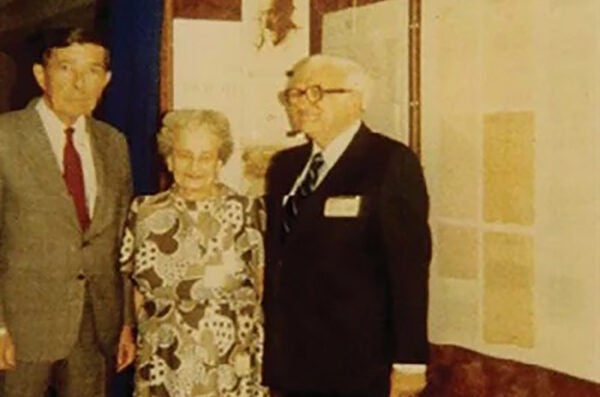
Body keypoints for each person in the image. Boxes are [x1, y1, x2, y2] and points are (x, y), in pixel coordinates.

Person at [262, 54, 432, 397]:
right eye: (294, 94)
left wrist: (410, 363)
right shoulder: (285, 167)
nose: (301, 104)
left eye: (315, 92)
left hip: (360, 364)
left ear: (357, 100)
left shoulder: (388, 162)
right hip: (295, 361)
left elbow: (409, 269)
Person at [0, 27, 135, 396]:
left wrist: (125, 321)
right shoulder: (5, 138)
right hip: (19, 330)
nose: (80, 83)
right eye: (66, 68)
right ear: (41, 75)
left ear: (106, 80)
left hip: (95, 327)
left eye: (92, 71)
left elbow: (121, 242)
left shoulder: (114, 144)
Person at [120, 109, 267, 397]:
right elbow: (134, 290)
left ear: (220, 161)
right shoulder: (145, 211)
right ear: (170, 160)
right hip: (162, 353)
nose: (194, 166)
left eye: (205, 157)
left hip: (226, 357)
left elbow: (262, 286)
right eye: (185, 155)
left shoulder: (247, 211)